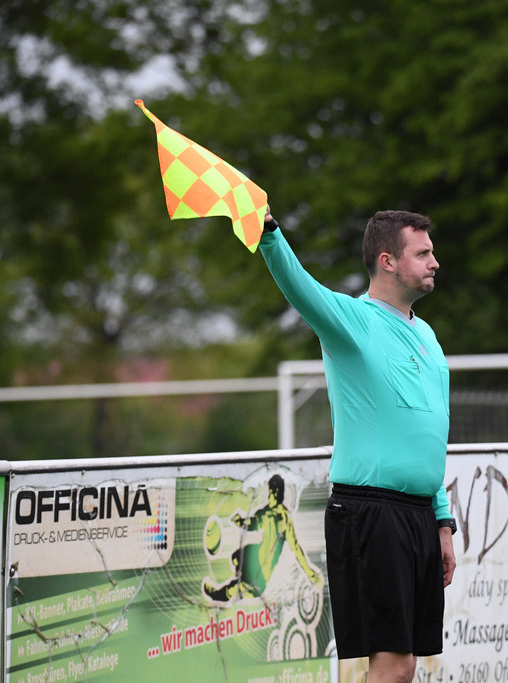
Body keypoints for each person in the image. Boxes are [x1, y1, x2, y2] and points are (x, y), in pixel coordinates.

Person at [258, 208, 457, 682]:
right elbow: (297, 284)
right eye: (423, 253)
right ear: (387, 261)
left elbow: (430, 437)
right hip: (371, 512)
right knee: (393, 664)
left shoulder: (425, 334)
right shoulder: (352, 320)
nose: (435, 262)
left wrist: (442, 520)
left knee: (406, 666)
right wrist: (268, 234)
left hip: (418, 514)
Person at [203, 474, 321, 602]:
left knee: (242, 585)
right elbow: (252, 523)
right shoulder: (268, 512)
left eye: (270, 493)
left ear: (275, 494)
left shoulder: (282, 518)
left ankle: (231, 591)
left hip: (262, 567)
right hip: (257, 555)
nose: (268, 497)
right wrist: (241, 521)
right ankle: (241, 582)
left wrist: (310, 573)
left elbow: (296, 548)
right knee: (237, 556)